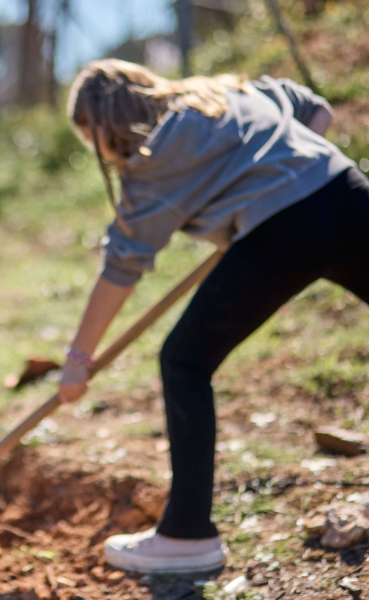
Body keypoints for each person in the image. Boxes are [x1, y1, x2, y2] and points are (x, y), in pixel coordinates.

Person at [57, 59, 368, 574]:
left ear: (102, 127)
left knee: (184, 360)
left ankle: (186, 537)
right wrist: (278, 173)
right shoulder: (226, 94)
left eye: (90, 140)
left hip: (285, 231)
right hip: (347, 191)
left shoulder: (150, 161)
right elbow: (316, 109)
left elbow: (121, 269)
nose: (99, 154)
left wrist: (76, 360)